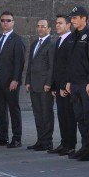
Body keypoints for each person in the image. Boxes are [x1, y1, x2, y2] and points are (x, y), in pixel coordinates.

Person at [0, 11, 26, 148]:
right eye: (3, 20)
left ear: (13, 22)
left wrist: (16, 79)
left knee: (14, 109)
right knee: (1, 110)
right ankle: (3, 137)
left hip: (10, 81)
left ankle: (17, 138)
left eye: (8, 20)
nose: (5, 23)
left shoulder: (17, 40)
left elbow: (19, 62)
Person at [65, 6, 89, 161]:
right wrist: (68, 81)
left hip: (86, 84)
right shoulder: (72, 37)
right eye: (71, 18)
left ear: (84, 18)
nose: (72, 20)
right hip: (75, 84)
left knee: (88, 116)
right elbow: (70, 62)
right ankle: (84, 146)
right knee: (79, 116)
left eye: (75, 17)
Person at [25, 18, 56, 151]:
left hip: (44, 85)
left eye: (43, 26)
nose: (40, 28)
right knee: (37, 113)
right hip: (33, 84)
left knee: (46, 114)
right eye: (38, 26)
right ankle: (40, 140)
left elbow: (51, 66)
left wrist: (49, 83)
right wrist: (27, 81)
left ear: (49, 29)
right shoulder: (34, 44)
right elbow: (30, 65)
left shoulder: (51, 44)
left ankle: (47, 142)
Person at [49, 14, 77, 156]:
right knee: (62, 115)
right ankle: (64, 142)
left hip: (66, 87)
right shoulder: (59, 40)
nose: (57, 25)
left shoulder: (71, 40)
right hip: (59, 86)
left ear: (68, 25)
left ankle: (70, 145)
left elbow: (70, 65)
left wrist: (65, 84)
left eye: (60, 23)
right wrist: (54, 86)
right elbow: (57, 66)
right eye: (56, 23)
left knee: (69, 116)